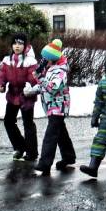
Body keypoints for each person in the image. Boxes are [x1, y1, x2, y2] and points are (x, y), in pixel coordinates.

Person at [31, 39, 75, 175]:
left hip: (58, 106)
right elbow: (45, 86)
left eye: (46, 59)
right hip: (52, 106)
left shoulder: (61, 71)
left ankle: (45, 163)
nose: (44, 61)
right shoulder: (50, 69)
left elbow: (53, 88)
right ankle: (69, 156)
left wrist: (40, 78)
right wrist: (31, 90)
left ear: (53, 59)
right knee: (61, 133)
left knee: (50, 135)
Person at [0, 32, 40, 161]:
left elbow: (33, 78)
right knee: (8, 121)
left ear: (25, 46)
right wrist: (1, 84)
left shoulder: (30, 61)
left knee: (28, 123)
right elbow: (2, 75)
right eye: (15, 43)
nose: (17, 46)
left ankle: (32, 152)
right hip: (12, 94)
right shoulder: (7, 60)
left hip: (26, 95)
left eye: (20, 44)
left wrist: (29, 88)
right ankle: (20, 147)